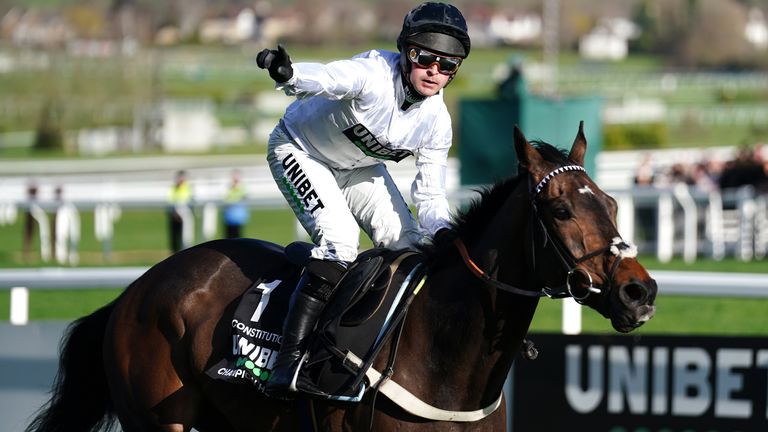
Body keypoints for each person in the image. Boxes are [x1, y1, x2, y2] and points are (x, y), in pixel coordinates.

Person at [256, 1, 470, 397]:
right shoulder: (373, 72)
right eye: (426, 59)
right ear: (406, 52)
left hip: (357, 168)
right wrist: (290, 73)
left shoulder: (437, 122)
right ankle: (288, 363)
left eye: (447, 66)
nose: (434, 72)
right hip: (299, 149)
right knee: (341, 242)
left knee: (413, 247)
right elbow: (329, 79)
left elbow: (430, 195)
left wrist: (442, 234)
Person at [168, 170, 193, 253]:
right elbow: (170, 200)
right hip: (174, 215)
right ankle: (174, 253)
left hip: (185, 214)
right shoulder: (173, 188)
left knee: (186, 236)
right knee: (174, 236)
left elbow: (189, 201)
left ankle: (185, 252)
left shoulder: (188, 188)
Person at [222, 169, 249, 238]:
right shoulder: (229, 187)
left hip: (237, 217)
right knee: (229, 237)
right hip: (229, 217)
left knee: (237, 236)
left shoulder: (241, 188)